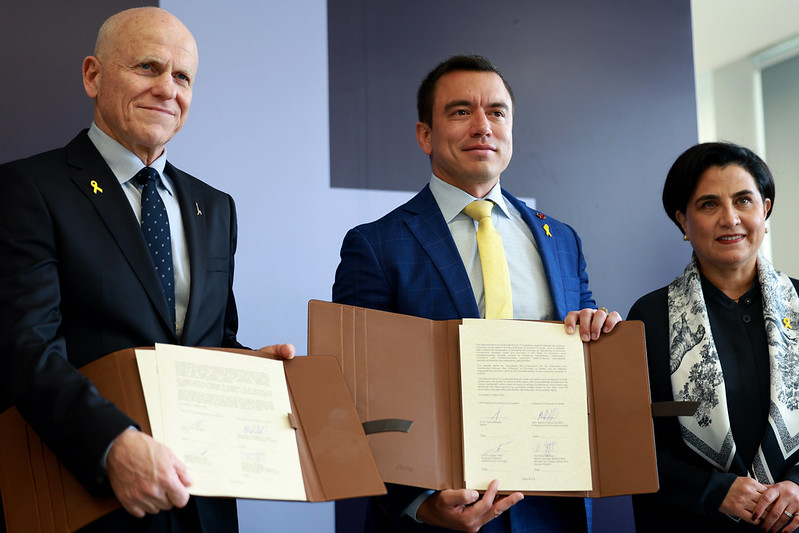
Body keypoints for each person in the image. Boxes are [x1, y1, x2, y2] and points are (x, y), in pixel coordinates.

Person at [0, 7, 293, 533]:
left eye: (182, 77)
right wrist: (112, 444)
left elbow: (212, 339)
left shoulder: (215, 207)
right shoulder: (27, 190)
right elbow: (25, 347)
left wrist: (251, 372)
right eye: (148, 67)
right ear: (93, 76)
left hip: (201, 502)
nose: (167, 89)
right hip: (88, 498)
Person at [333, 54, 621, 533]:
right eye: (461, 111)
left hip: (554, 507)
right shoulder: (375, 245)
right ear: (425, 135)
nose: (483, 126)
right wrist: (421, 504)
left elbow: (587, 359)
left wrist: (600, 330)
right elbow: (355, 388)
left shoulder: (562, 240)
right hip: (437, 513)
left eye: (497, 112)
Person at [628, 142, 799, 532]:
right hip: (690, 520)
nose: (730, 218)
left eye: (743, 200)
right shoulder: (650, 318)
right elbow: (635, 442)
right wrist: (714, 490)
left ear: (765, 210)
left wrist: (797, 485)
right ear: (683, 222)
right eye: (708, 204)